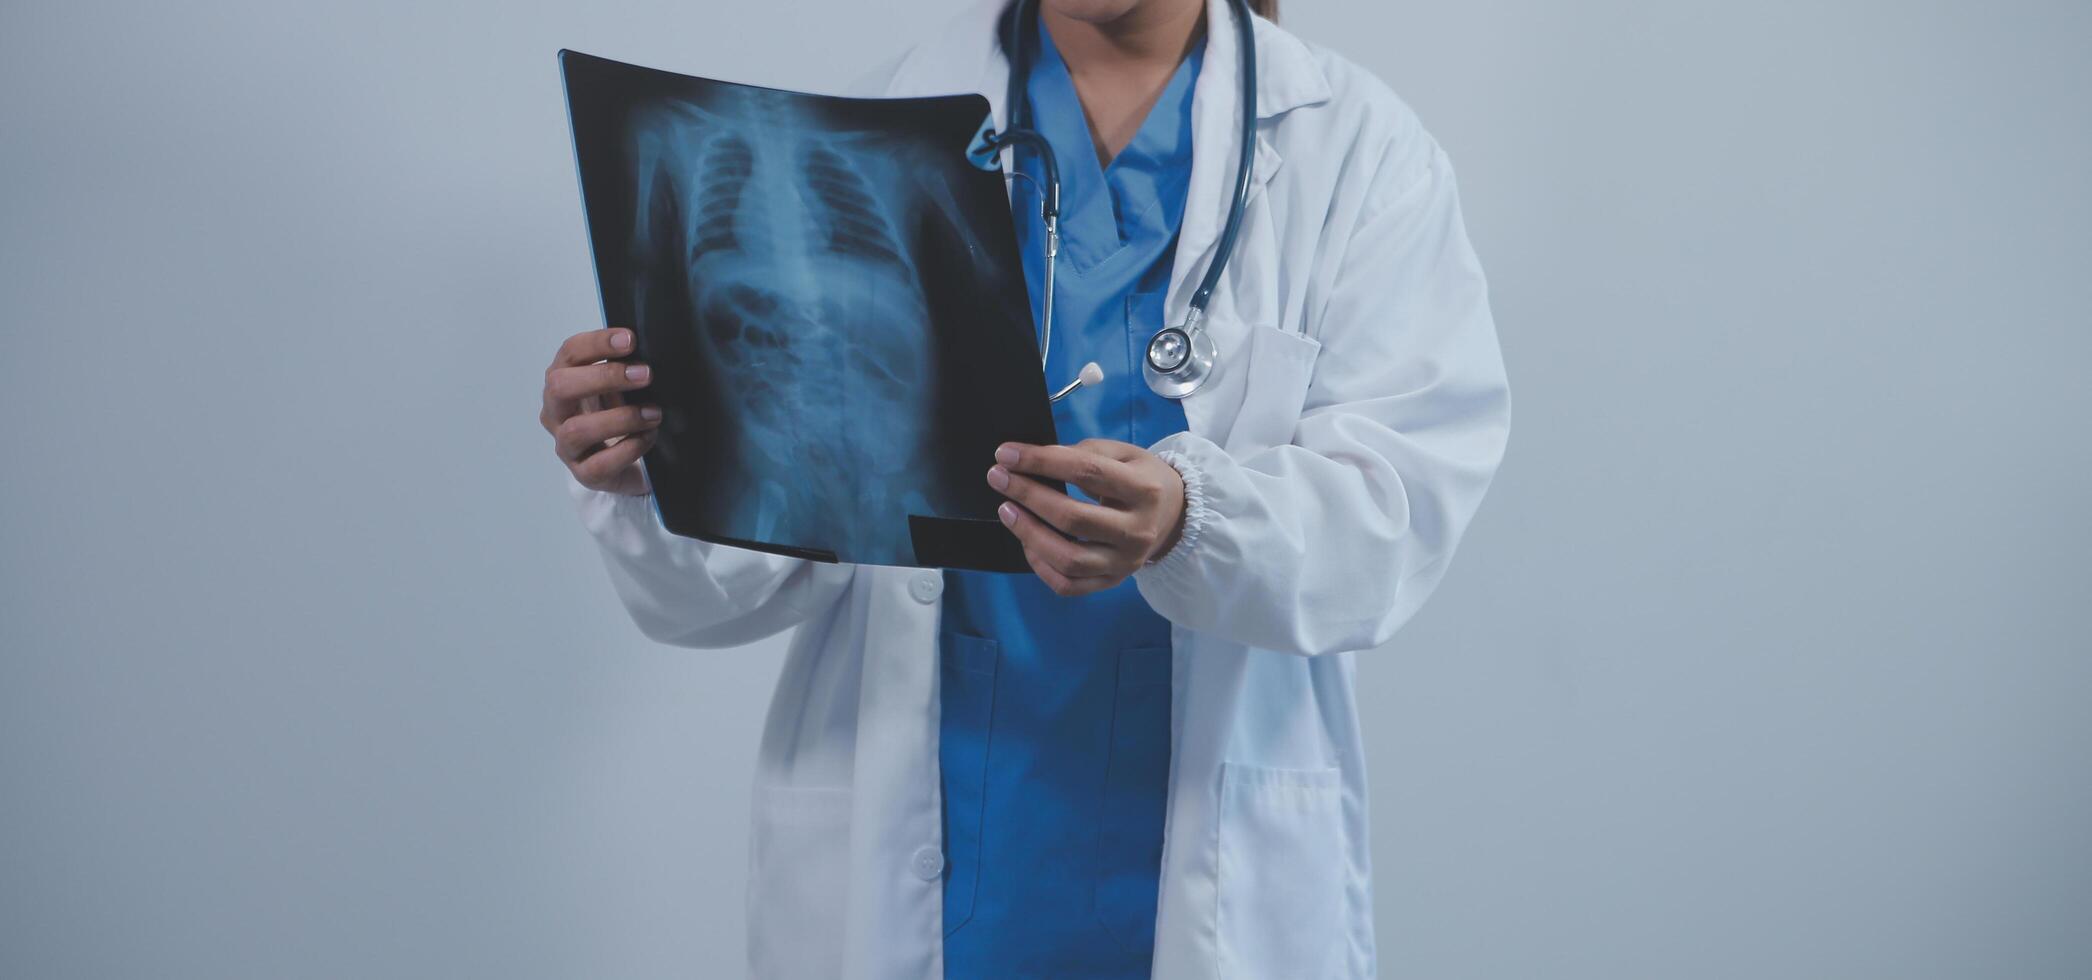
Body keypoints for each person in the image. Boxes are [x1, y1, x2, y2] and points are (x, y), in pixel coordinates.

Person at [538, 0, 1510, 975]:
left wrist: (1191, 520)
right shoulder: (876, 122)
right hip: (942, 857)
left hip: (1202, 864)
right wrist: (656, 466)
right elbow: (738, 580)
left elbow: (1398, 510)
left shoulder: (1357, 150)